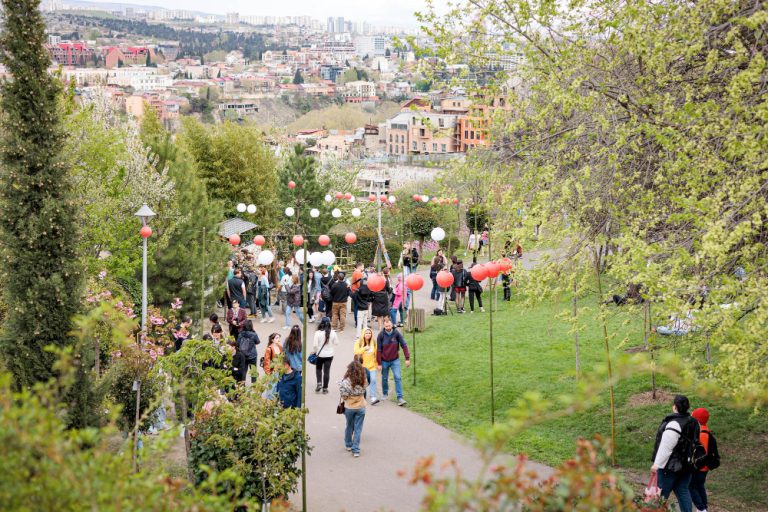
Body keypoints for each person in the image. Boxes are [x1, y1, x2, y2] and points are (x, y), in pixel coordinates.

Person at [651, 394, 700, 512]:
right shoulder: (694, 422)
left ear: (675, 407)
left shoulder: (674, 424)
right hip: (687, 465)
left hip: (670, 467)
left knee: (661, 495)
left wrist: (656, 465)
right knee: (683, 491)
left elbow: (666, 448)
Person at [376, 318, 410, 406]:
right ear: (384, 326)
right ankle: (385, 393)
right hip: (384, 361)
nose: (388, 327)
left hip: (395, 360)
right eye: (386, 326)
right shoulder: (380, 335)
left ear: (392, 325)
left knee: (397, 377)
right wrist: (379, 363)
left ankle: (400, 397)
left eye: (389, 325)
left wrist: (407, 358)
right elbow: (379, 350)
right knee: (384, 378)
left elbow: (404, 345)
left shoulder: (396, 333)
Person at [690, 408, 717, 512]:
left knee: (690, 486)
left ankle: (701, 508)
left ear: (697, 420)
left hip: (698, 467)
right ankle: (704, 507)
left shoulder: (700, 434)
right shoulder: (707, 431)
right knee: (700, 486)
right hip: (705, 467)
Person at [339, 359, 368, 457]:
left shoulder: (346, 382)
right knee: (358, 428)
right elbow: (365, 389)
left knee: (349, 426)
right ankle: (356, 449)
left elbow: (344, 396)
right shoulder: (364, 380)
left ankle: (348, 444)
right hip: (361, 406)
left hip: (349, 407)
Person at [312, 316, 339, 394]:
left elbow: (315, 345)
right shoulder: (333, 332)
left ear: (321, 323)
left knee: (318, 369)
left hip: (320, 354)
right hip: (329, 355)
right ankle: (325, 388)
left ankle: (319, 383)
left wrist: (314, 351)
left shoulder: (317, 333)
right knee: (327, 371)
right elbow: (336, 343)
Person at [354, 327, 378, 404]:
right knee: (363, 382)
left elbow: (376, 353)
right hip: (362, 366)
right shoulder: (359, 342)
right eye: (366, 333)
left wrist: (377, 363)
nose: (368, 334)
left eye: (369, 333)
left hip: (372, 366)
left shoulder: (373, 342)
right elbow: (356, 352)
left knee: (373, 380)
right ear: (363, 334)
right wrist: (364, 348)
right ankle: (361, 396)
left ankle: (373, 397)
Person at [350, 262, 365, 328]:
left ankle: (358, 322)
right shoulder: (358, 273)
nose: (363, 268)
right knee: (358, 308)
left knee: (356, 307)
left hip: (354, 291)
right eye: (363, 266)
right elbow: (360, 284)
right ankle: (358, 323)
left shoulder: (355, 272)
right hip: (357, 292)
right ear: (360, 266)